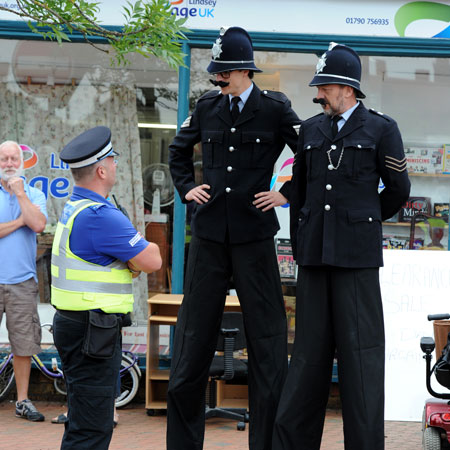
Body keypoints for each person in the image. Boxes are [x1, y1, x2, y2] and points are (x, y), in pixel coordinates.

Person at [167, 26, 301, 450]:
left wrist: (286, 193)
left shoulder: (275, 109)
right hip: (208, 239)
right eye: (215, 74)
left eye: (223, 74)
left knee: (267, 345)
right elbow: (177, 152)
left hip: (254, 238)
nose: (216, 81)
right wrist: (187, 187)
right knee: (191, 346)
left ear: (245, 71)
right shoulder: (206, 106)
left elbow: (309, 153)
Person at [272, 43, 411, 450]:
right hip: (314, 258)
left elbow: (398, 190)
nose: (319, 94)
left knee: (361, 360)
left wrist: (361, 224)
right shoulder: (311, 130)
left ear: (348, 88)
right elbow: (300, 192)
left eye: (326, 86)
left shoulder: (381, 129)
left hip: (356, 262)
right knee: (308, 361)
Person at [51, 126, 162, 450]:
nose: (115, 164)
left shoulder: (76, 207)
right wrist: (133, 261)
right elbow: (152, 260)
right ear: (101, 169)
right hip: (91, 331)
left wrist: (131, 261)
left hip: (80, 326)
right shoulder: (101, 215)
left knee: (82, 421)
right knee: (93, 429)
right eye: (112, 160)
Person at [0, 140, 47, 422]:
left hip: (22, 282)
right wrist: (20, 222)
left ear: (22, 161)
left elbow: (39, 225)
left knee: (24, 345)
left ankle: (22, 401)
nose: (8, 163)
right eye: (4, 158)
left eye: (13, 158)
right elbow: (28, 223)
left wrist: (20, 196)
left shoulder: (33, 194)